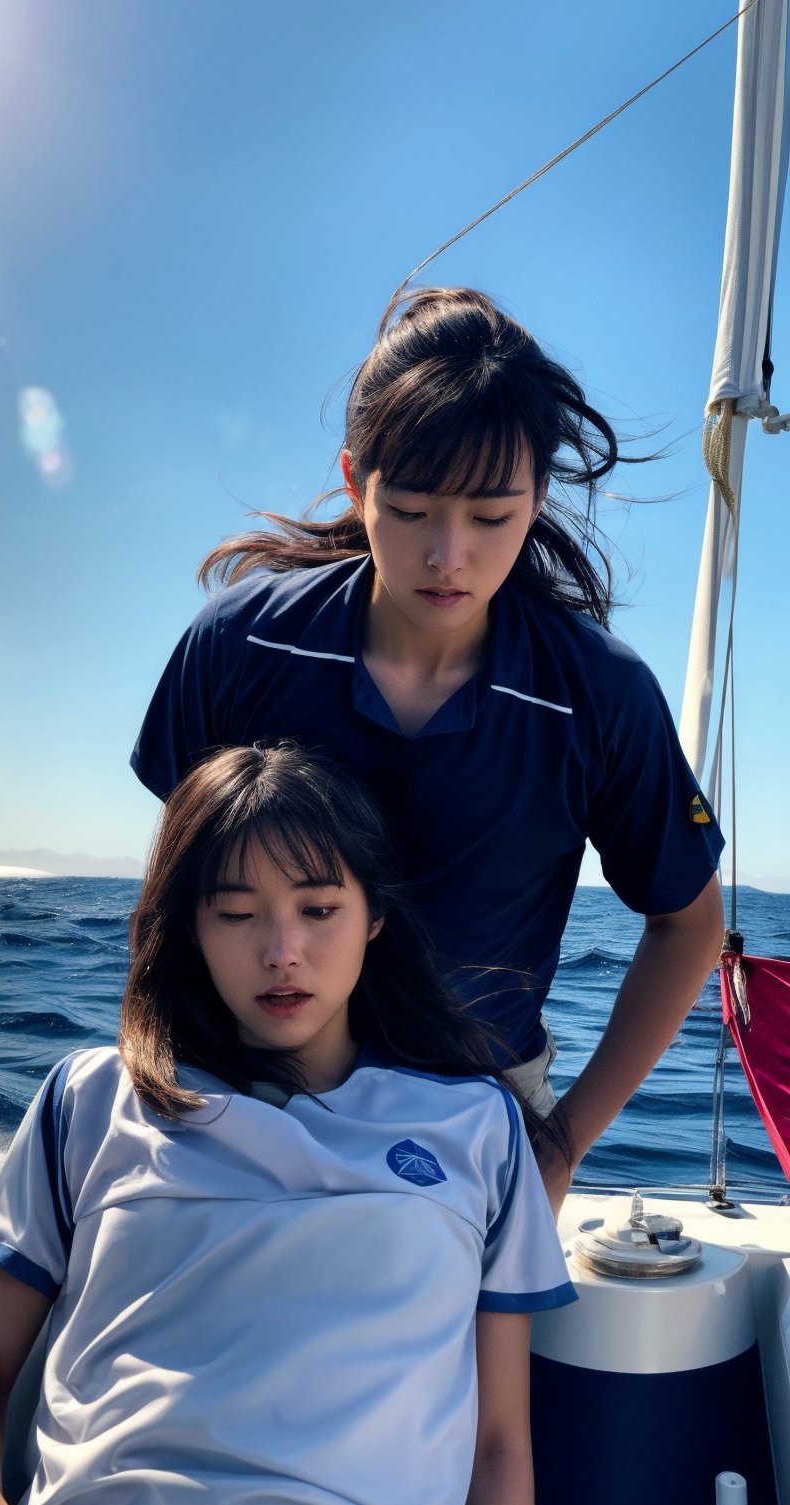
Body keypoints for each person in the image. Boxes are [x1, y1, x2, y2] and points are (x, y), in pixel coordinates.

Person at [131, 286, 726, 1214]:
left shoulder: (597, 695)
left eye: (492, 517)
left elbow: (687, 924)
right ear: (353, 478)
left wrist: (562, 1142)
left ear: (540, 494)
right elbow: (185, 883)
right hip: (248, 1101)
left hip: (475, 1119)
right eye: (409, 509)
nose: (449, 555)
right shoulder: (243, 645)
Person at [0, 743, 576, 1505]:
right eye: (236, 914)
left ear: (375, 916)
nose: (281, 953)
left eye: (319, 909)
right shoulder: (90, 1100)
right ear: (191, 927)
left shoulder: (478, 1126)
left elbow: (499, 1445)